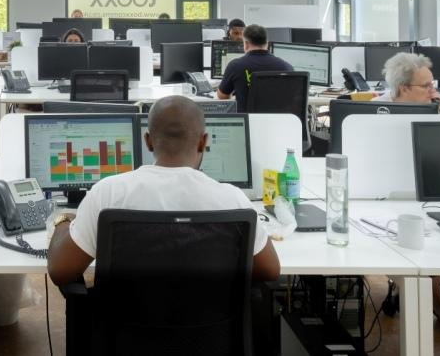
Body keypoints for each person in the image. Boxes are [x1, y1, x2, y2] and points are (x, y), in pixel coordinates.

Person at [47, 95, 279, 286]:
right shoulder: (232, 200)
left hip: (126, 328)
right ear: (203, 142)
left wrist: (62, 222)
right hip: (210, 327)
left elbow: (60, 272)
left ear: (148, 141)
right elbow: (270, 271)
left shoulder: (107, 193)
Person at [374, 53, 440, 333]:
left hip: (424, 191)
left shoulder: (437, 109)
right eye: (426, 86)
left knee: (430, 225)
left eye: (433, 84)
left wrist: (439, 117)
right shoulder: (372, 113)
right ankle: (437, 304)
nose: (434, 91)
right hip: (378, 192)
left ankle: (430, 298)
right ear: (403, 88)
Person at [216, 24, 293, 111]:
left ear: (246, 44)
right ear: (267, 43)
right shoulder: (287, 67)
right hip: (277, 118)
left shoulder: (235, 66)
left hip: (247, 119)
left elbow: (222, 97)